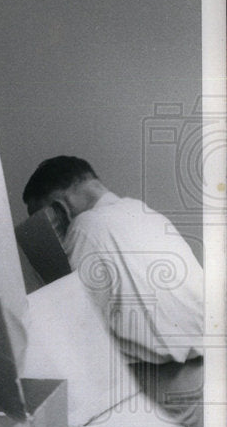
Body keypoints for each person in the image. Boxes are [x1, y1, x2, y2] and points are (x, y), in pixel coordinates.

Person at [22, 156, 203, 364]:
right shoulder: (147, 214)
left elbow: (72, 324)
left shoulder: (85, 226)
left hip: (157, 373)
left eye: (42, 219)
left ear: (58, 207)